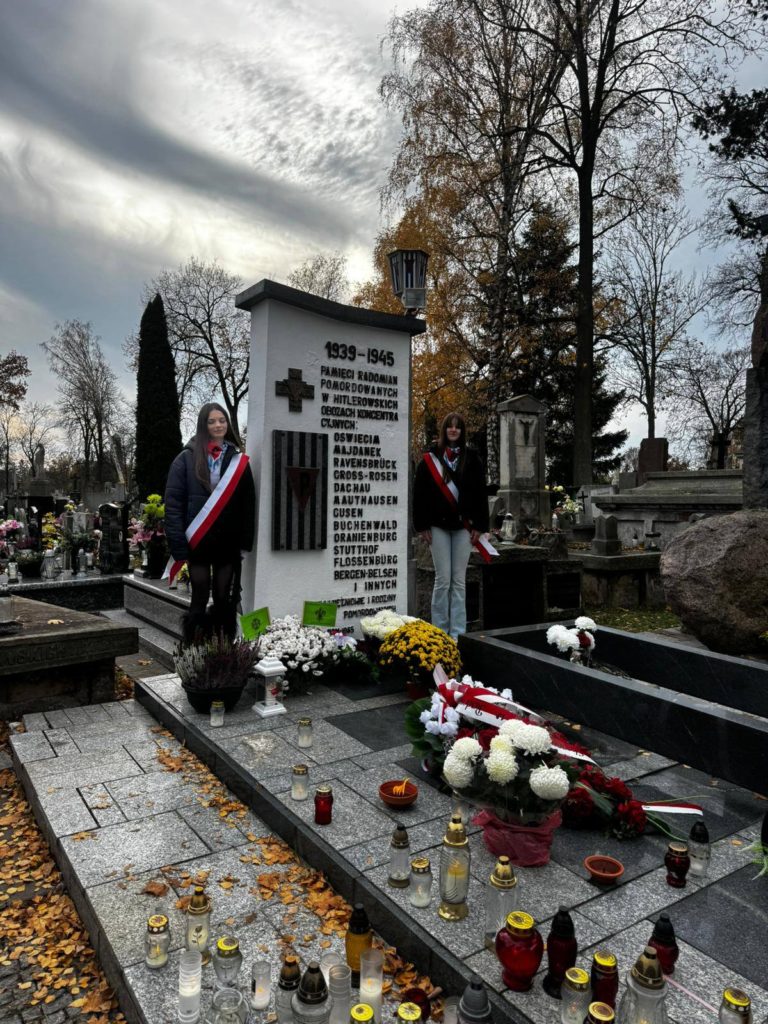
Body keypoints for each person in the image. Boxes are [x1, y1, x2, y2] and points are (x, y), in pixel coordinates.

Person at [164, 403, 255, 643]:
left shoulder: (238, 461)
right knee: (199, 596)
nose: (218, 425)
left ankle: (223, 648)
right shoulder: (185, 459)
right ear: (203, 425)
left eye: (222, 420)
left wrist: (245, 541)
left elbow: (248, 503)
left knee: (224, 598)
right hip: (199, 541)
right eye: (212, 421)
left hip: (227, 541)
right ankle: (195, 650)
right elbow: (173, 503)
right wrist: (178, 545)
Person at [413, 412, 489, 639]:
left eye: (457, 427)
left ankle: (457, 635)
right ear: (444, 430)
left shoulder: (472, 459)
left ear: (462, 431)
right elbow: (419, 495)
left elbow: (480, 494)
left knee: (458, 582)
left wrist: (480, 526)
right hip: (437, 526)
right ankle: (439, 634)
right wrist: (422, 525)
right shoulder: (430, 459)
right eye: (450, 426)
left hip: (464, 527)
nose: (453, 430)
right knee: (442, 580)